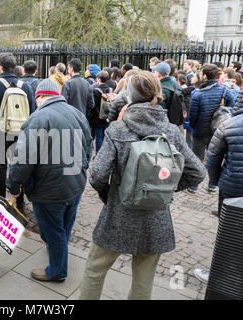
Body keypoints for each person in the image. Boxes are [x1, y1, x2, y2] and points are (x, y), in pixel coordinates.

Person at [79, 71, 206, 300]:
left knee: (94, 270)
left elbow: (97, 174)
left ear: (130, 96)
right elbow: (198, 172)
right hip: (155, 216)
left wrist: (109, 194)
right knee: (144, 281)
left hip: (118, 214)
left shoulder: (118, 130)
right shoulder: (171, 132)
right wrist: (166, 188)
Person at [7, 79, 93, 282]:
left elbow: (23, 158)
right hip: (75, 183)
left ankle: (57, 271)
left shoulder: (38, 118)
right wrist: (81, 168)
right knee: (64, 225)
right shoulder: (76, 113)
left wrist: (14, 185)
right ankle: (57, 250)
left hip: (49, 189)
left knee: (53, 230)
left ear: (39, 96)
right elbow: (89, 146)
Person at [194, 80, 243, 283]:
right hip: (234, 185)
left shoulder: (229, 124)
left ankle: (219, 273)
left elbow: (212, 159)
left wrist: (218, 181)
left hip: (233, 186)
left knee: (228, 233)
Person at [0, 52, 36, 212]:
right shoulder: (25, 86)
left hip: (0, 132)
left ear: (0, 66)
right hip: (20, 132)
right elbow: (33, 111)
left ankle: (0, 200)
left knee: (0, 167)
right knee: (18, 166)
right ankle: (19, 201)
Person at [188, 64, 236, 194]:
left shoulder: (198, 95)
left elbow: (193, 116)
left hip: (200, 131)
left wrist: (194, 127)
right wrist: (225, 112)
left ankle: (194, 186)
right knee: (215, 158)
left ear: (204, 76)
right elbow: (233, 103)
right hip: (218, 131)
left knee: (197, 158)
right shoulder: (223, 90)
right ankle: (212, 185)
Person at [90, 71, 113, 153]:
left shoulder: (96, 91)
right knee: (106, 136)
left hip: (98, 117)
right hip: (108, 115)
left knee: (99, 136)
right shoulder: (110, 89)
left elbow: (93, 105)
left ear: (99, 79)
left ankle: (99, 154)